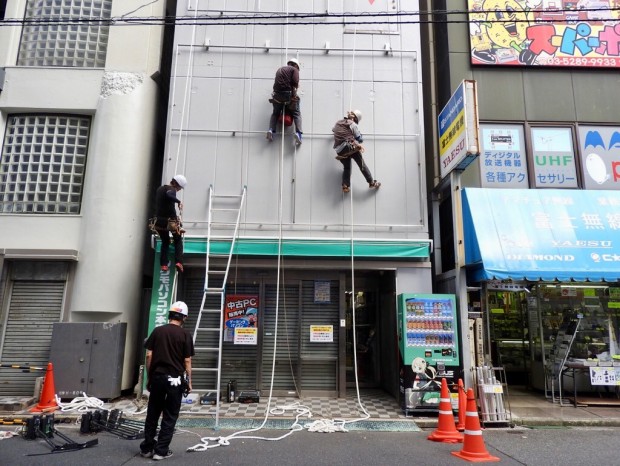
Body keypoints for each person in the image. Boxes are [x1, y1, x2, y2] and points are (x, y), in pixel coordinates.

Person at [140, 301, 195, 461]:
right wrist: (189, 381)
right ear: (184, 317)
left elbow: (149, 355)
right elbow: (187, 361)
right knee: (170, 415)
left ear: (170, 315)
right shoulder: (185, 335)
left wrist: (151, 376)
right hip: (175, 380)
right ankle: (160, 451)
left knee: (153, 413)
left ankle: (147, 448)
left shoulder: (157, 331)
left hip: (157, 377)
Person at [332, 110, 381, 193]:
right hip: (349, 147)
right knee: (362, 164)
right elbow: (359, 139)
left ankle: (345, 185)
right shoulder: (352, 124)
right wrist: (360, 136)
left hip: (339, 150)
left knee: (347, 167)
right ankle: (371, 182)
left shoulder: (338, 122)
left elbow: (334, 130)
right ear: (355, 119)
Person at [153, 175, 186, 273]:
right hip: (170, 222)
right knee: (178, 239)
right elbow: (169, 195)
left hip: (158, 222)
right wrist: (178, 201)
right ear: (176, 184)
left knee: (165, 242)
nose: (179, 190)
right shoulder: (171, 189)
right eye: (180, 188)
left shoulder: (160, 189)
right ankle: (179, 262)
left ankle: (163, 264)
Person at [266, 58, 303, 145]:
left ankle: (271, 130)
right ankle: (299, 134)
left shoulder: (280, 69)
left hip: (276, 96)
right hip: (287, 95)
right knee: (297, 113)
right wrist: (295, 93)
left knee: (275, 113)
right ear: (296, 65)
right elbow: (295, 82)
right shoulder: (294, 69)